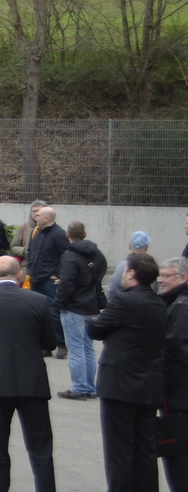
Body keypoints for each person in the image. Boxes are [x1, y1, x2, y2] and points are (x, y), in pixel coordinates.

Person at [0, 255, 58, 492]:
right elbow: (49, 341)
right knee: (41, 449)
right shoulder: (38, 300)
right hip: (33, 382)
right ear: (20, 275)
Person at [91, 253, 167, 492]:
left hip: (119, 385)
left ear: (132, 273)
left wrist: (101, 323)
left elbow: (96, 329)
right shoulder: (159, 303)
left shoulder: (124, 301)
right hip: (149, 384)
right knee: (145, 447)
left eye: (124, 271)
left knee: (119, 449)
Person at [55, 221, 106, 401]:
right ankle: (90, 387)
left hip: (74, 306)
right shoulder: (97, 253)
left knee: (76, 349)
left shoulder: (69, 256)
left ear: (68, 235)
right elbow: (99, 275)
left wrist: (60, 302)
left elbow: (67, 283)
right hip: (92, 304)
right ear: (84, 234)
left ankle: (79, 388)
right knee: (88, 348)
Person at [157, 257, 188, 490]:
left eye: (166, 275)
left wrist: (160, 386)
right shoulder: (176, 303)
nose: (160, 280)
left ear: (183, 278)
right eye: (160, 275)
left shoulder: (180, 307)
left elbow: (174, 351)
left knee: (177, 453)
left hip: (178, 396)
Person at [25, 206, 71, 358]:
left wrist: (56, 274)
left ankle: (61, 344)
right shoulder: (35, 231)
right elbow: (30, 251)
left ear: (47, 218)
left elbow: (65, 255)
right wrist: (30, 270)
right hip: (35, 278)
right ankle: (46, 346)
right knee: (38, 313)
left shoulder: (59, 234)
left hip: (49, 280)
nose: (35, 217)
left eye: (38, 215)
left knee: (54, 312)